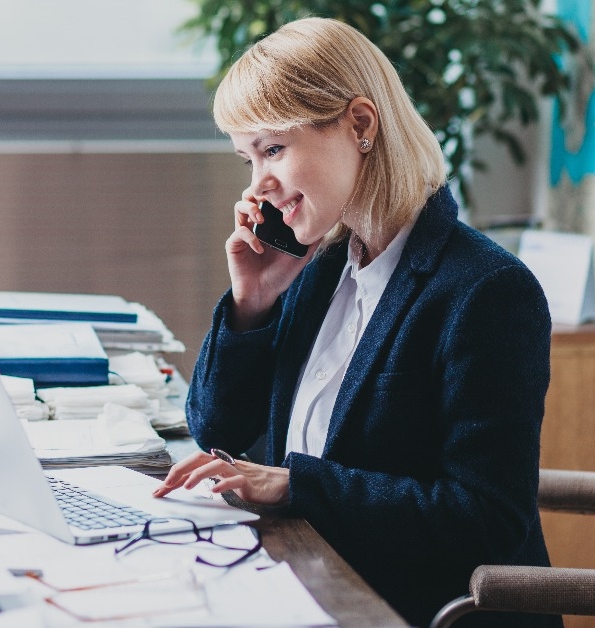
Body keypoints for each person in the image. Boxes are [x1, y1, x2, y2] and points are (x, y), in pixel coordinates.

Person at [151, 17, 560, 628]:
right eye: (247, 158)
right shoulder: (318, 271)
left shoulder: (487, 292)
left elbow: (485, 521)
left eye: (273, 149)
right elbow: (215, 428)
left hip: (405, 609)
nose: (257, 185)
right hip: (308, 581)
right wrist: (252, 301)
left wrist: (295, 485)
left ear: (361, 125)